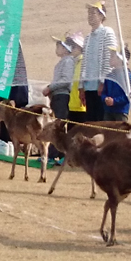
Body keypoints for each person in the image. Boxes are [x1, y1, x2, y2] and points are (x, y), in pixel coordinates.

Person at [80, 1, 117, 122]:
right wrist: (81, 86)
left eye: (93, 13)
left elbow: (109, 58)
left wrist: (103, 81)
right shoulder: (87, 38)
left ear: (101, 16)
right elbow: (84, 63)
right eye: (89, 13)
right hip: (89, 86)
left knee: (101, 119)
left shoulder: (107, 32)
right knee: (90, 119)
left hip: (101, 86)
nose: (90, 16)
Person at [43, 32, 76, 165]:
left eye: (59, 46)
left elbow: (66, 81)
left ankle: (59, 155)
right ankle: (55, 154)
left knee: (59, 126)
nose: (57, 48)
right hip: (56, 96)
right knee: (56, 124)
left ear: (65, 49)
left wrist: (51, 87)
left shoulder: (68, 61)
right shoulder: (62, 62)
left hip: (62, 96)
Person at [101, 45, 131, 122]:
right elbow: (104, 92)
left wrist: (115, 101)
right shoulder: (109, 76)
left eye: (112, 56)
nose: (109, 59)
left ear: (120, 59)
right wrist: (105, 99)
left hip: (121, 112)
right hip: (108, 112)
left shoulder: (128, 76)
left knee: (120, 133)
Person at [66, 33, 86, 129]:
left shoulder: (83, 62)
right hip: (71, 104)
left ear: (80, 48)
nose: (71, 49)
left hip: (81, 106)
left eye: (73, 46)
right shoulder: (72, 62)